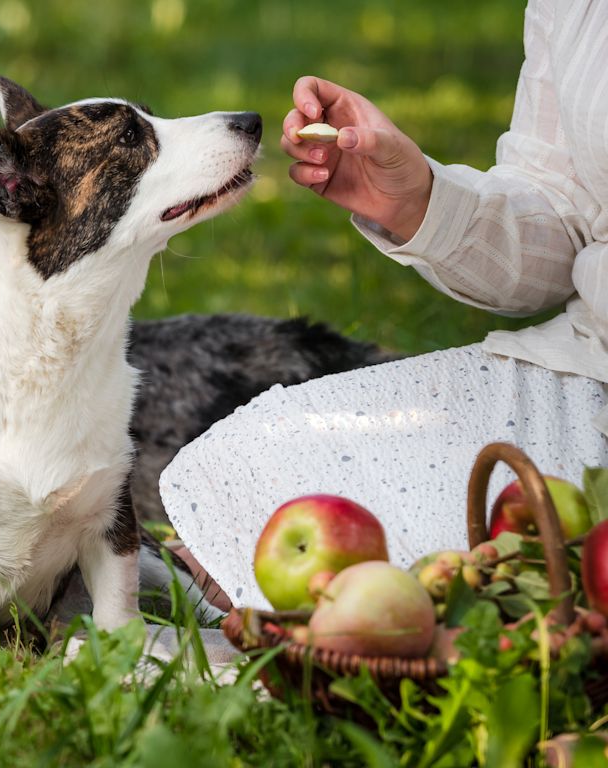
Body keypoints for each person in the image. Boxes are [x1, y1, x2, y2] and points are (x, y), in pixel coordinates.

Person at [160, 0, 608, 609]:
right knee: (239, 468)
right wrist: (417, 199)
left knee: (408, 585)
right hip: (590, 372)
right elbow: (564, 216)